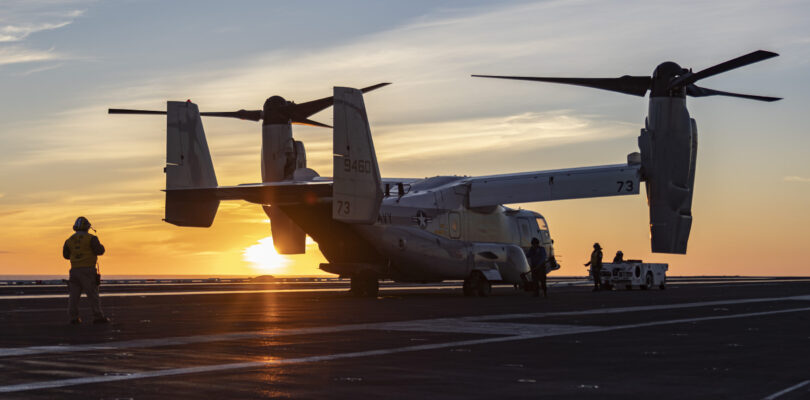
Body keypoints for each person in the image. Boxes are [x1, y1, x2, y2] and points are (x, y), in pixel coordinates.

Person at [62, 216, 109, 324]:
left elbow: (65, 255)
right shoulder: (91, 238)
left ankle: (73, 318)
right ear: (87, 227)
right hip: (88, 270)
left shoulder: (69, 240)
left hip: (74, 271)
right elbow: (100, 251)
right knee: (93, 295)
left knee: (73, 296)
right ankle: (98, 317)